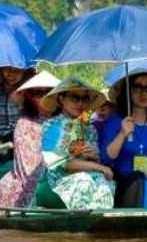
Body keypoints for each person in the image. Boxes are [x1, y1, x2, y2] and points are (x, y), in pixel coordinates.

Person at [99, 71, 147, 208]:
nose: (143, 94)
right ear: (128, 91)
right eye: (137, 88)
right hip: (126, 182)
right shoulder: (114, 121)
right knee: (139, 180)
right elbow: (106, 159)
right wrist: (122, 134)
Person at [35, 76, 114, 209]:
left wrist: (93, 157)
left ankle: (98, 226)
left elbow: (95, 162)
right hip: (55, 183)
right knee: (85, 182)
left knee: (104, 184)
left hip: (85, 176)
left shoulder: (90, 129)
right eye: (74, 98)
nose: (80, 103)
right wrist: (98, 167)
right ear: (62, 99)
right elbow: (64, 163)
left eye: (84, 99)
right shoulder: (51, 126)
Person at [0, 71, 61, 209]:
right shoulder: (25, 125)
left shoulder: (66, 120)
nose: (43, 97)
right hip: (30, 185)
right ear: (29, 96)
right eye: (37, 93)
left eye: (48, 92)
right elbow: (29, 174)